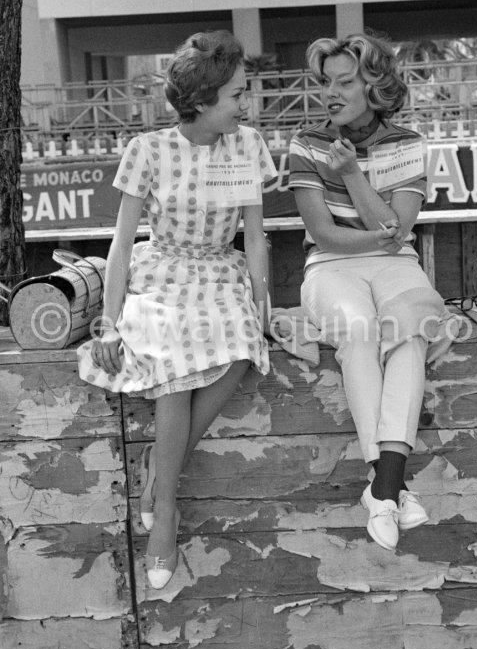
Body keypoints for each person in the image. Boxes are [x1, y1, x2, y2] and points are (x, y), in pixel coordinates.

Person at [78, 31, 277, 588]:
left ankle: (157, 470)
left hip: (220, 269)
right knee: (171, 362)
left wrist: (262, 306)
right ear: (204, 98)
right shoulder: (147, 150)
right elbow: (121, 244)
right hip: (163, 271)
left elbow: (256, 239)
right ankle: (164, 512)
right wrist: (110, 323)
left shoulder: (247, 145)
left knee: (243, 346)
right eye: (237, 94)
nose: (246, 103)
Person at [289, 31, 455, 551]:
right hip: (330, 267)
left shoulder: (408, 144)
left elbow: (399, 233)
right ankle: (392, 486)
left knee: (407, 331)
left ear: (375, 87)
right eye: (326, 83)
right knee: (357, 327)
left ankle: (383, 487)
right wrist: (376, 235)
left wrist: (354, 175)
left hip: (395, 263)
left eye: (345, 82)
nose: (331, 93)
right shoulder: (305, 143)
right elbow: (323, 233)